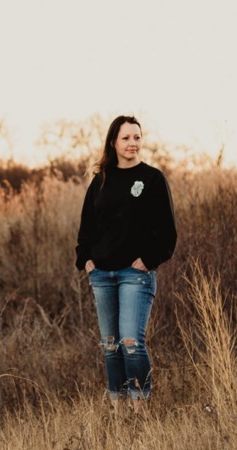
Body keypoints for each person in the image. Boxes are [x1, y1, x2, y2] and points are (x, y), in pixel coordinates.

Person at [75, 115, 177, 415]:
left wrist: (149, 260)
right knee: (111, 345)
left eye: (137, 137)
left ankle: (140, 406)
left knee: (131, 341)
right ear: (113, 142)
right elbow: (87, 226)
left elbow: (168, 231)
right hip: (102, 275)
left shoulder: (153, 179)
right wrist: (86, 260)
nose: (133, 143)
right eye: (126, 138)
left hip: (136, 275)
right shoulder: (101, 181)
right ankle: (118, 409)